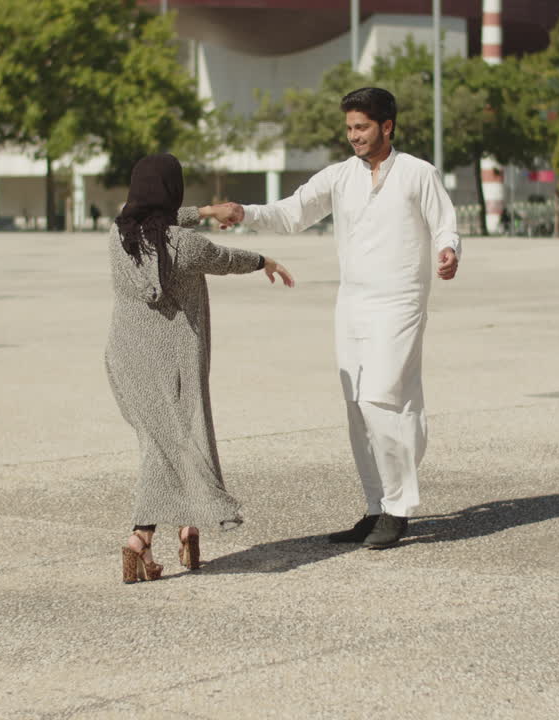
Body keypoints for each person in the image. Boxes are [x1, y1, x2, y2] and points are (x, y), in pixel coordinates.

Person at [212, 87, 460, 549]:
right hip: (351, 303)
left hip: (400, 300)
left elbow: (444, 220)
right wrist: (244, 212)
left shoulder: (418, 173)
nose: (354, 136)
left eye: (362, 127)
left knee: (381, 400)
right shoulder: (341, 176)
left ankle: (399, 509)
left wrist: (449, 249)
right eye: (349, 128)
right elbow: (292, 213)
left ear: (387, 126)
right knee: (356, 407)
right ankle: (374, 507)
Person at [106, 153, 295, 584]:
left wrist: (208, 212)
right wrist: (264, 260)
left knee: (161, 443)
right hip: (175, 361)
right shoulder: (186, 246)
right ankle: (143, 537)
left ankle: (181, 531)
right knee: (177, 443)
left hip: (124, 358)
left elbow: (162, 218)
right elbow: (225, 258)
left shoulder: (118, 235)